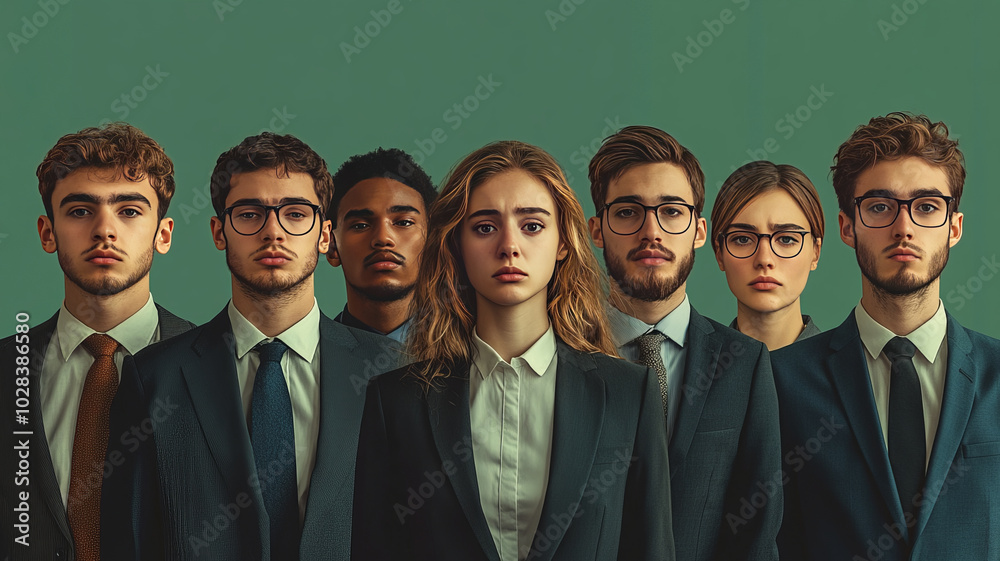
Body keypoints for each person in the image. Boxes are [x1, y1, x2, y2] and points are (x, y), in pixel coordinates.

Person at [352, 140, 674, 561]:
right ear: (457, 244)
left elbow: (651, 549)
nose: (509, 246)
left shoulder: (629, 395)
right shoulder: (394, 401)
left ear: (563, 243)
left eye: (532, 225)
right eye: (485, 227)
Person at [100, 132, 398, 561]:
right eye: (250, 213)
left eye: (296, 214)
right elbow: (129, 543)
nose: (273, 231)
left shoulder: (393, 372)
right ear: (219, 232)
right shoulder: (154, 377)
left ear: (324, 234)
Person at [773, 112, 1000, 560]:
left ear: (953, 228)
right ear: (846, 227)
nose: (904, 227)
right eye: (879, 206)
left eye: (927, 206)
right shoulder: (784, 381)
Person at [0, 123, 193, 561]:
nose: (105, 230)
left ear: (163, 234)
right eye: (80, 211)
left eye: (129, 210)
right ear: (47, 233)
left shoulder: (221, 368)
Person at [587, 125, 780, 561]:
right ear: (597, 229)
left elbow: (758, 532)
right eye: (628, 212)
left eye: (672, 212)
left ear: (698, 229)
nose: (651, 231)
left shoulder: (745, 364)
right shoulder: (560, 354)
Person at [711, 160, 824, 350]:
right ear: (719, 253)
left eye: (786, 239)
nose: (764, 260)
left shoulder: (851, 374)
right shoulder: (691, 373)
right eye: (742, 239)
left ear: (815, 252)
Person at [327, 147, 436, 341]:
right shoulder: (307, 361)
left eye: (404, 223)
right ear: (332, 246)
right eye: (360, 225)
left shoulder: (476, 356)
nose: (383, 238)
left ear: (433, 240)